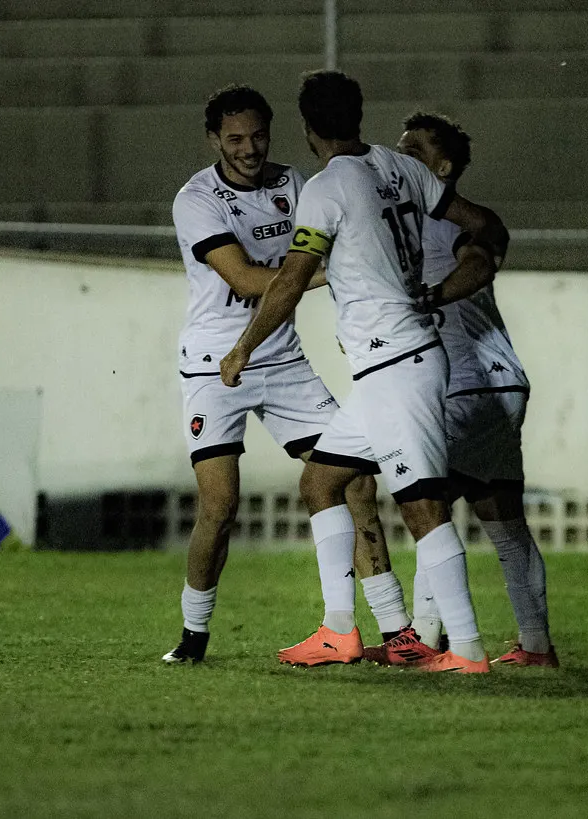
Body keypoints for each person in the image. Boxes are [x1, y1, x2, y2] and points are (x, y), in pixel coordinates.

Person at [221, 71, 509, 673]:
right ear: (358, 113)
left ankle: (467, 650)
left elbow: (293, 279)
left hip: (397, 366)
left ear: (307, 129)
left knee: (421, 503)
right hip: (388, 368)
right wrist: (477, 256)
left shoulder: (326, 189)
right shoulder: (398, 167)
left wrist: (245, 347)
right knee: (320, 483)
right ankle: (338, 631)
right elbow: (477, 219)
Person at [163, 84, 408, 664]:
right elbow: (248, 281)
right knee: (220, 507)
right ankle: (193, 636)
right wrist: (328, 273)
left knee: (356, 483)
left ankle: (397, 632)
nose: (248, 149)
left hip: (283, 359)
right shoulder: (196, 199)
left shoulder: (293, 184)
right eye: (235, 139)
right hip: (213, 367)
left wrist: (323, 269)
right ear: (214, 140)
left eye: (258, 136)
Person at [362, 112, 557, 668]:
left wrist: (431, 297)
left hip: (462, 385)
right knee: (503, 520)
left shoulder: (434, 223)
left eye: (413, 150)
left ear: (442, 168)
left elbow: (477, 269)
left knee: (427, 507)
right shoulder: (451, 221)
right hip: (502, 382)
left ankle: (425, 639)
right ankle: (536, 646)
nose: (401, 158)